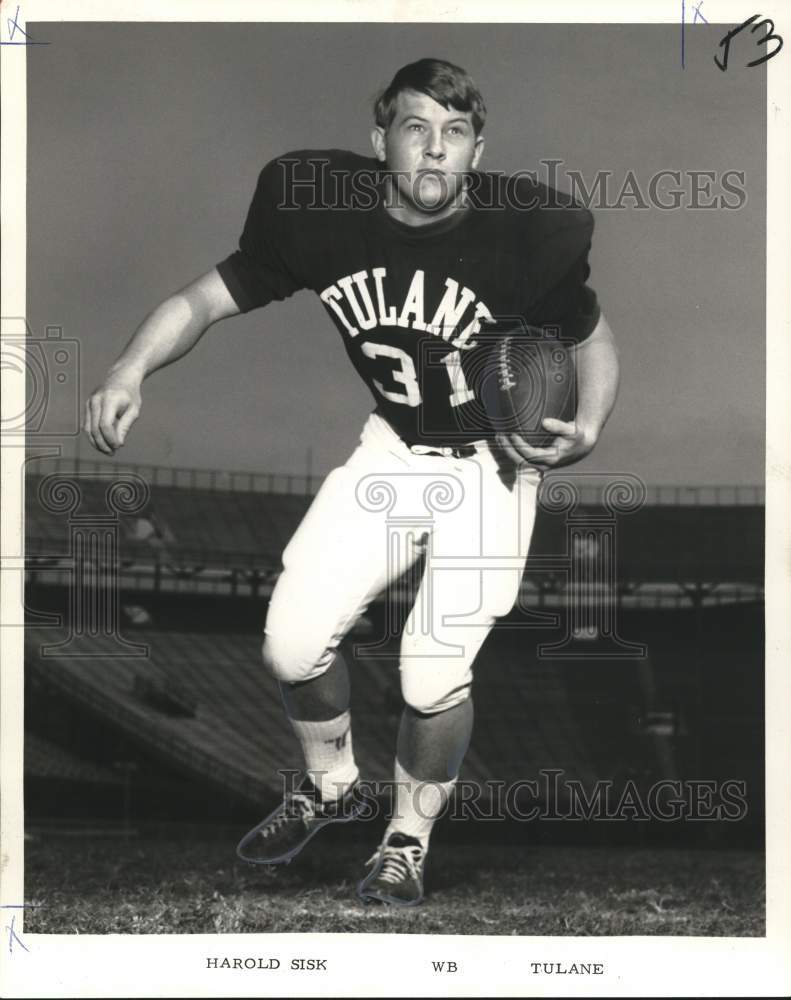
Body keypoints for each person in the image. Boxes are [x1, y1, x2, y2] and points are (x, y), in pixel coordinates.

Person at [84, 57, 619, 907]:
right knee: (290, 641)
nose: (433, 152)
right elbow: (204, 297)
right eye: (415, 129)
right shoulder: (319, 212)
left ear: (478, 149)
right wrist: (128, 368)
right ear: (381, 142)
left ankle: (405, 841)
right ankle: (329, 785)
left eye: (453, 134)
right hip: (393, 450)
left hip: (490, 466)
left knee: (431, 670)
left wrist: (588, 425)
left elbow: (588, 336)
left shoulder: (529, 233)